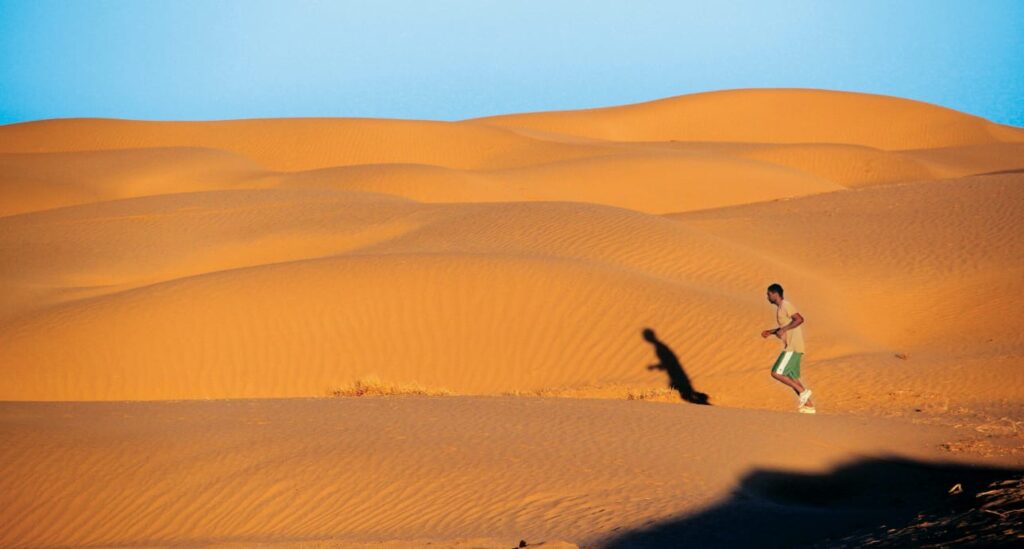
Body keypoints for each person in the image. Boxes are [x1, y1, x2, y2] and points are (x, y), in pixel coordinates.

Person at [760, 283, 816, 413]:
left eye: (769, 294)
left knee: (776, 373)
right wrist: (771, 332)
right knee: (792, 378)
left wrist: (784, 329)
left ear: (775, 294)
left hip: (792, 347)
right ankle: (809, 406)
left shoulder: (786, 305)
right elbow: (785, 325)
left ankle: (803, 392)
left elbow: (799, 319)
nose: (767, 297)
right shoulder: (781, 308)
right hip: (793, 346)